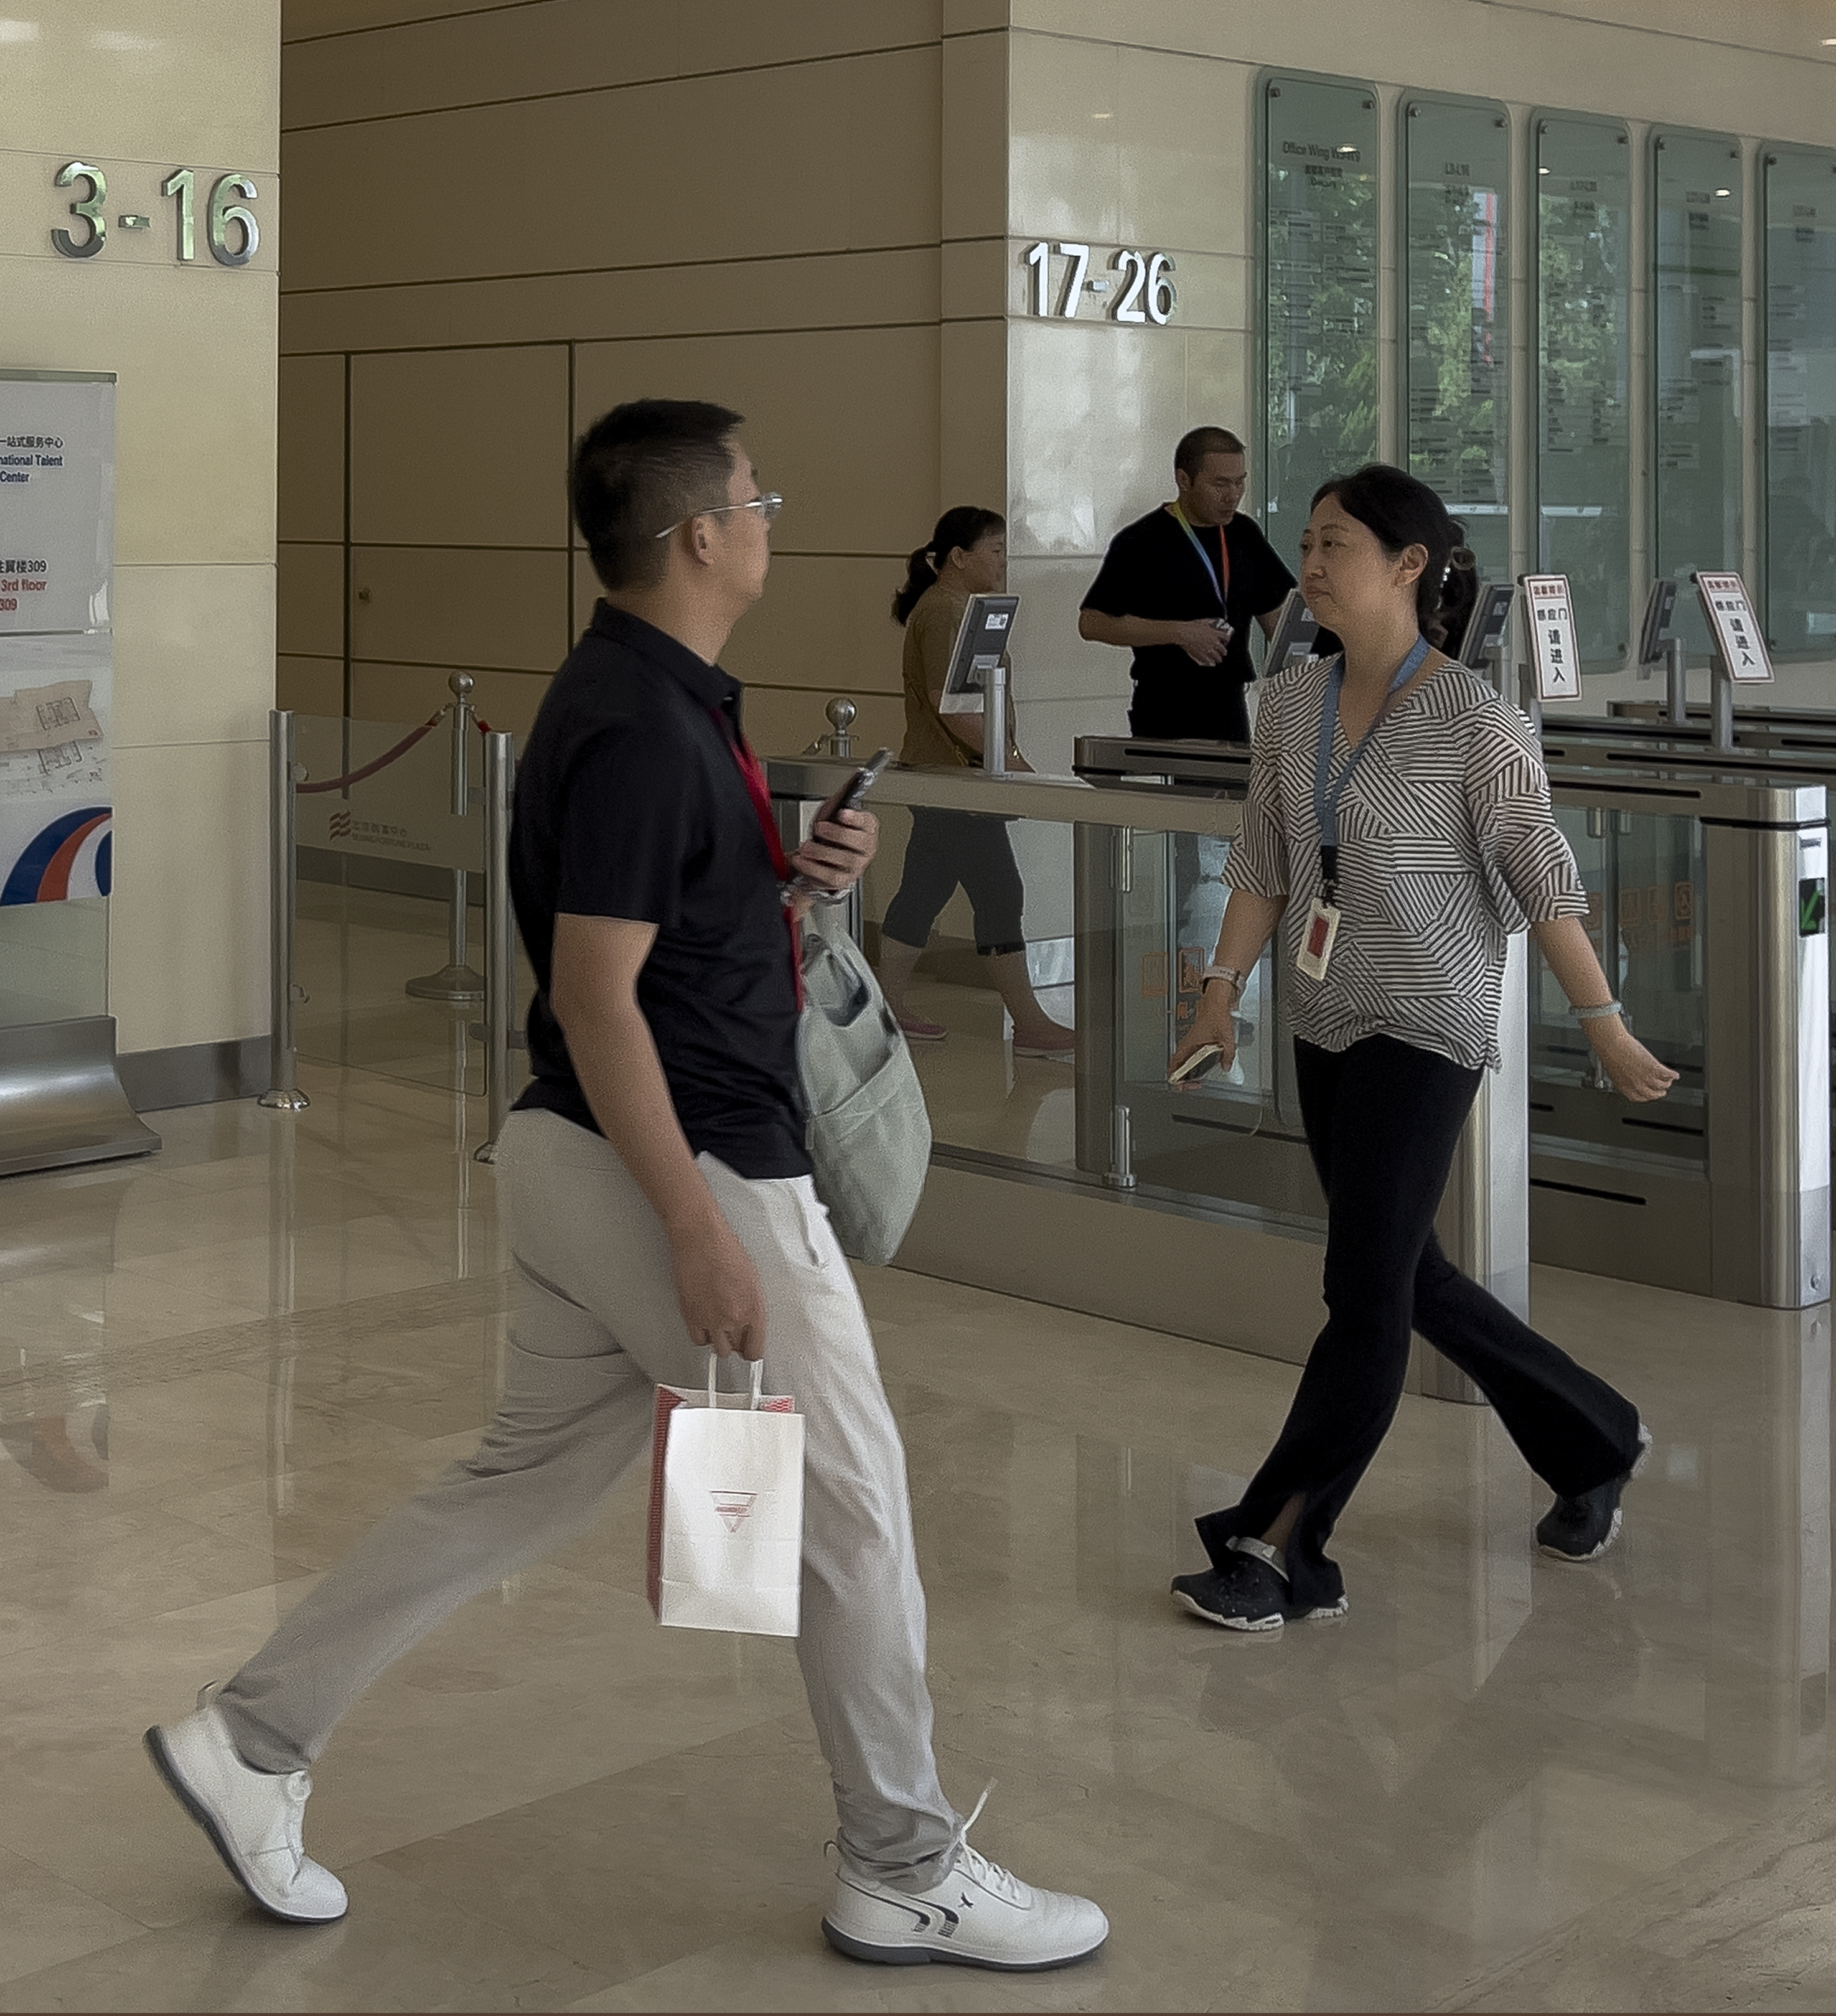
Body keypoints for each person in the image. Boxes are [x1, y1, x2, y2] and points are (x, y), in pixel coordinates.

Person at [141, 402, 1110, 1974]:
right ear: (698, 536)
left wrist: (790, 872)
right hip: (683, 1164)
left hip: (579, 1158)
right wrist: (697, 1234)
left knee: (513, 1483)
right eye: (756, 493)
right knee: (854, 1517)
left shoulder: (652, 700)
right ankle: (902, 1861)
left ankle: (251, 1738)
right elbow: (597, 997)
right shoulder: (644, 725)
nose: (770, 512)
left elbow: (652, 944)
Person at [1161, 464, 1674, 1633]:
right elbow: (1263, 862)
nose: (1314, 560)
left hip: (1427, 1024)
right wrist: (1216, 994)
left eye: (1337, 542)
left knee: (1360, 1287)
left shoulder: (1476, 720)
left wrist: (1601, 1020)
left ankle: (1281, 1545)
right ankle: (1596, 1437)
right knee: (1403, 1276)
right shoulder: (1290, 702)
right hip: (1325, 1014)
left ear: (1408, 566)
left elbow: (1543, 879)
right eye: (1309, 540)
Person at [881, 507, 1074, 1057]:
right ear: (960, 558)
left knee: (923, 892)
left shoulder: (959, 609)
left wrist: (1006, 756)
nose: (1004, 561)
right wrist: (1008, 760)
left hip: (951, 777)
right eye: (994, 550)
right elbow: (957, 707)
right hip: (955, 781)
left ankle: (885, 1007)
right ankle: (1031, 1024)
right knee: (999, 891)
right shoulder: (944, 613)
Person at [1078, 426, 1296, 743]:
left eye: (1239, 482)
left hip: (1229, 702)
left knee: (1232, 790)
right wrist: (1180, 633)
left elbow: (1277, 619)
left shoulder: (1244, 534)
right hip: (1167, 706)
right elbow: (1092, 623)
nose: (1232, 495)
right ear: (1184, 480)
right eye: (1219, 484)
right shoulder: (1143, 541)